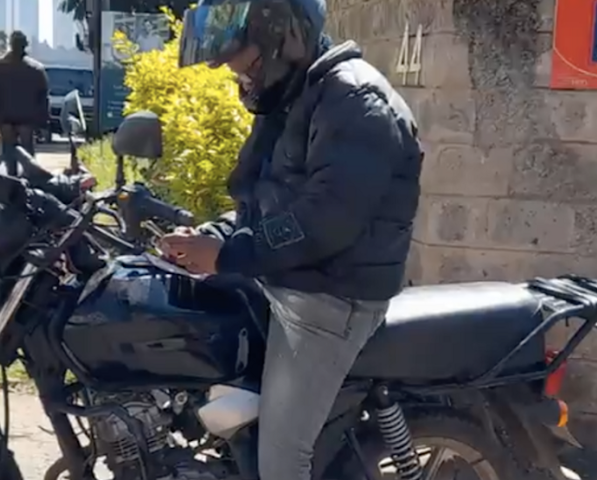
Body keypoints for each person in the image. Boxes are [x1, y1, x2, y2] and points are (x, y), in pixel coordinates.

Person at [158, 1, 423, 480]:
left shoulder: (357, 102)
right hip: (289, 275)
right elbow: (265, 203)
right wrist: (213, 236)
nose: (243, 80)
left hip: (330, 298)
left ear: (288, 39)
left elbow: (324, 222)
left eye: (250, 66)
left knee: (280, 462)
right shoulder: (297, 94)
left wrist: (228, 254)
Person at [0, 31, 49, 175]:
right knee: (28, 153)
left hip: (5, 118)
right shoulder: (36, 69)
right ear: (25, 46)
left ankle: (12, 180)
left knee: (9, 150)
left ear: (11, 45)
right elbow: (43, 97)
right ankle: (29, 180)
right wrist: (43, 122)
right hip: (27, 119)